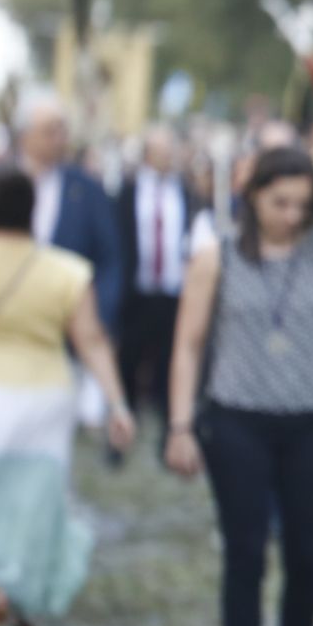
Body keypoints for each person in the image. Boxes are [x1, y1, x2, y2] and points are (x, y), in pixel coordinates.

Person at [163, 147, 313, 626]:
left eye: (303, 204)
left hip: (311, 418)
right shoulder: (216, 256)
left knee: (307, 555)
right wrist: (179, 425)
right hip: (238, 419)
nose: (291, 215)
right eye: (281, 202)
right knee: (246, 554)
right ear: (253, 196)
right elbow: (188, 344)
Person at [0, 167, 135, 626]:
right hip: (45, 398)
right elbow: (91, 340)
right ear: (35, 211)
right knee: (32, 504)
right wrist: (116, 401)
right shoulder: (66, 270)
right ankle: (19, 595)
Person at [0, 100, 124, 334]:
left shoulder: (88, 190)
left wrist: (97, 319)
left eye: (63, 130)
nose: (60, 139)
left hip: (67, 329)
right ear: (25, 136)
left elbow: (109, 259)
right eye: (50, 131)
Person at [116, 125, 198, 437]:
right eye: (161, 152)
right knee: (129, 362)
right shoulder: (129, 191)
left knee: (169, 363)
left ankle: (170, 431)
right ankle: (124, 428)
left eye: (171, 151)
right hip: (138, 293)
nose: (168, 158)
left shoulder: (186, 193)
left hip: (175, 294)